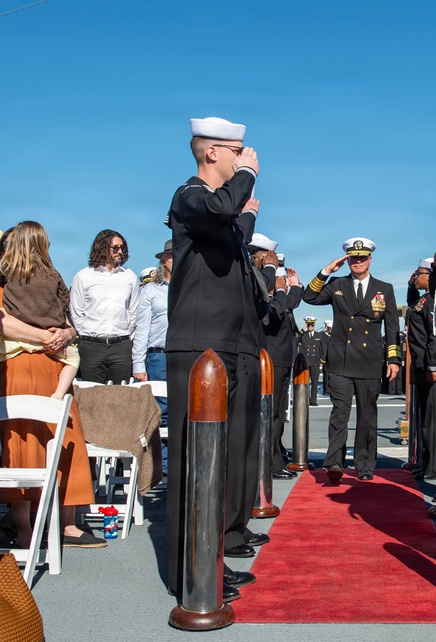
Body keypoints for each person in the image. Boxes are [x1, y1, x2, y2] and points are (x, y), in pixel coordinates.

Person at [164, 116, 266, 601]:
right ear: (212, 154)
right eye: (237, 151)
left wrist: (246, 213)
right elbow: (223, 206)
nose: (245, 157)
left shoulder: (218, 211)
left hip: (224, 345)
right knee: (192, 466)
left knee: (215, 463)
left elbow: (233, 236)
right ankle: (191, 569)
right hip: (197, 345)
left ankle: (211, 558)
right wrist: (248, 177)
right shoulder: (189, 195)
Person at [0, 223, 103, 549]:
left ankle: (67, 524)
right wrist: (48, 338)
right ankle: (25, 528)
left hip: (57, 369)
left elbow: (68, 321)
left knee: (68, 439)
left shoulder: (49, 279)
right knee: (23, 445)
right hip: (19, 367)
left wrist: (67, 334)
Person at [303, 237, 402, 483]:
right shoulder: (337, 285)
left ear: (370, 259)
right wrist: (326, 271)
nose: (358, 262)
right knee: (340, 412)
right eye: (353, 258)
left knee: (368, 415)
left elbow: (392, 327)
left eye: (362, 257)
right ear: (347, 260)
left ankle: (365, 464)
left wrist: (393, 359)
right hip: (340, 361)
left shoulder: (384, 288)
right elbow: (309, 297)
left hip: (369, 360)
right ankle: (334, 462)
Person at [0, 221, 80, 401]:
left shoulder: (7, 270)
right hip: (48, 354)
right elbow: (65, 299)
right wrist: (56, 327)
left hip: (20, 355)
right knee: (73, 359)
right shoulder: (53, 273)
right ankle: (58, 395)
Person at [253, 233, 302, 479]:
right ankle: (271, 462)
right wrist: (286, 290)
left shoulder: (276, 295)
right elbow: (276, 313)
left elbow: (289, 304)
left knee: (277, 413)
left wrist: (293, 287)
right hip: (270, 360)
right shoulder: (265, 297)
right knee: (270, 414)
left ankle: (275, 455)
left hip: (281, 361)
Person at [69, 230, 139, 384]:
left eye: (122, 248)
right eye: (115, 248)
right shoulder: (84, 276)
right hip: (91, 345)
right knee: (92, 396)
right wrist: (88, 336)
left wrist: (125, 337)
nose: (120, 252)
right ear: (102, 248)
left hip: (121, 346)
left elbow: (133, 312)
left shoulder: (129, 277)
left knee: (121, 396)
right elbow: (76, 311)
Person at [406, 258, 436, 480]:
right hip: (419, 363)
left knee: (431, 419)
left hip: (428, 365)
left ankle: (433, 466)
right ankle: (426, 462)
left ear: (429, 275)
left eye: (418, 273)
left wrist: (432, 365)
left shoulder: (434, 301)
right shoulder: (423, 300)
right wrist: (410, 286)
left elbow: (433, 336)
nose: (415, 276)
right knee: (424, 416)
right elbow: (411, 309)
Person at [132, 240, 172, 427]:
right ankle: (163, 458)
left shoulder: (192, 289)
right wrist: (138, 364)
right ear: (164, 260)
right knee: (161, 412)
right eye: (173, 256)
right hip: (160, 356)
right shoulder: (150, 290)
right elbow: (142, 329)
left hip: (186, 356)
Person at [296, 317, 325, 405]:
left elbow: (322, 348)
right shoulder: (303, 335)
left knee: (314, 382)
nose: (310, 327)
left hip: (315, 361)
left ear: (314, 325)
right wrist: (302, 330)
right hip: (306, 362)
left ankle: (313, 401)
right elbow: (296, 340)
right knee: (305, 383)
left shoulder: (319, 335)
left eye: (311, 325)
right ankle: (306, 400)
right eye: (308, 325)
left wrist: (322, 360)